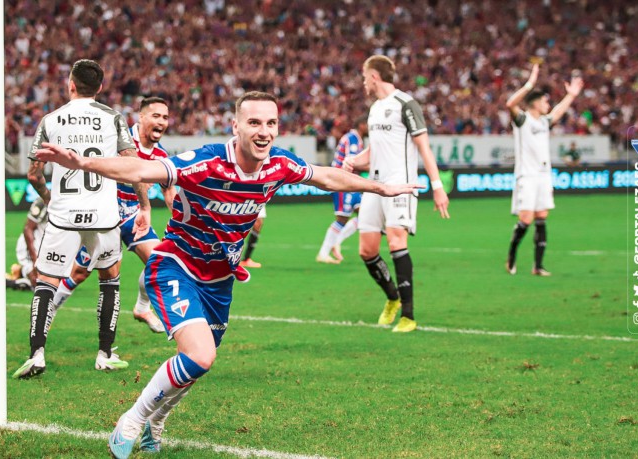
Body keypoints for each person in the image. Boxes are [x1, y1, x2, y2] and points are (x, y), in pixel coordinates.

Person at [35, 91, 422, 458]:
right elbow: (141, 167)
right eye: (254, 122)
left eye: (271, 123)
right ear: (235, 126)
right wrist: (83, 162)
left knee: (200, 360)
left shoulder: (278, 165)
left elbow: (326, 176)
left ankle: (158, 422)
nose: (264, 131)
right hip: (176, 263)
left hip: (219, 280)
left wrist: (378, 188)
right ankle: (133, 420)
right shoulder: (204, 163)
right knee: (200, 355)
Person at [13, 59, 140, 379]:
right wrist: (144, 204)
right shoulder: (113, 118)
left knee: (47, 282)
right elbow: (132, 165)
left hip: (64, 215)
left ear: (70, 85)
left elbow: (32, 173)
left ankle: (37, 355)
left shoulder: (50, 120)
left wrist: (50, 198)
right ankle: (105, 353)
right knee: (109, 278)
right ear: (99, 88)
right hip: (104, 213)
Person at [344, 55, 451, 333]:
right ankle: (392, 298)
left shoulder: (406, 103)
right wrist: (355, 160)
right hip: (374, 185)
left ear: (375, 76)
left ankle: (408, 315)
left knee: (395, 242)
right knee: (366, 250)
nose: (363, 81)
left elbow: (424, 148)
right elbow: (375, 151)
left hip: (401, 184)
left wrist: (437, 187)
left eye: (364, 76)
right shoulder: (375, 108)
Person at [52, 97, 176, 334]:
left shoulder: (161, 155)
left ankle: (142, 307)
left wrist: (181, 220)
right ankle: (49, 311)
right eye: (156, 116)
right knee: (80, 273)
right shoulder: (117, 140)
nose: (161, 121)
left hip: (132, 216)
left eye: (165, 117)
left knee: (160, 260)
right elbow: (105, 169)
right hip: (104, 215)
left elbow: (169, 191)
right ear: (141, 117)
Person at [505, 64, 583, 276]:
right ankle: (511, 257)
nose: (548, 104)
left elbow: (558, 112)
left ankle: (538, 266)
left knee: (542, 216)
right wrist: (530, 84)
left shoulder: (544, 122)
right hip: (527, 176)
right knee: (526, 219)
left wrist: (571, 96)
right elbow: (510, 103)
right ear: (535, 103)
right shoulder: (522, 120)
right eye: (545, 100)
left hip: (543, 176)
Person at [317, 115, 368, 264]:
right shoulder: (352, 138)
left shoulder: (355, 138)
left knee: (365, 215)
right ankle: (324, 252)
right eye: (368, 125)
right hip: (342, 182)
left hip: (351, 183)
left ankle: (336, 242)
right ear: (362, 125)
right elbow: (353, 163)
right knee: (342, 219)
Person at [6, 197, 48, 291]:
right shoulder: (43, 202)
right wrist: (35, 260)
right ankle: (10, 281)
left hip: (49, 248)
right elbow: (28, 228)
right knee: (41, 284)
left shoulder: (69, 203)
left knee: (58, 282)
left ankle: (20, 272)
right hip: (32, 246)